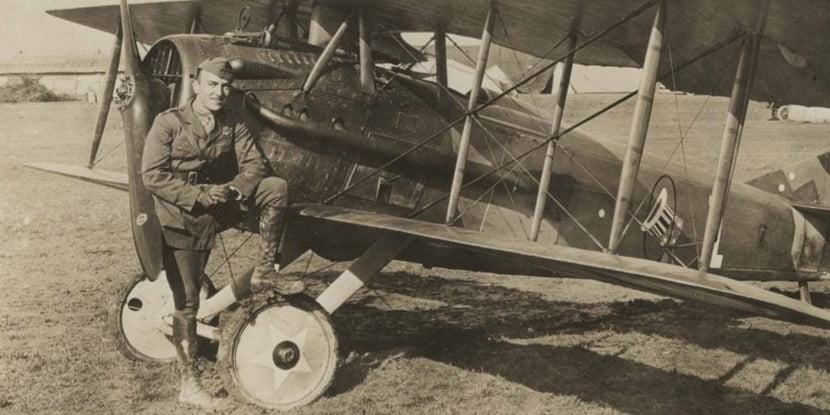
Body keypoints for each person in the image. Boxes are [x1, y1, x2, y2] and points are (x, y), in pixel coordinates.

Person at [141, 57, 303, 410]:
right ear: (196, 85)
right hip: (183, 213)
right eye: (212, 84)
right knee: (187, 301)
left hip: (222, 201)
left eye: (225, 86)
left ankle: (263, 273)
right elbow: (152, 175)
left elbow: (255, 165)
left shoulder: (234, 123)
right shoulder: (168, 122)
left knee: (275, 187)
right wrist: (198, 195)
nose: (219, 92)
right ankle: (190, 385)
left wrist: (231, 190)